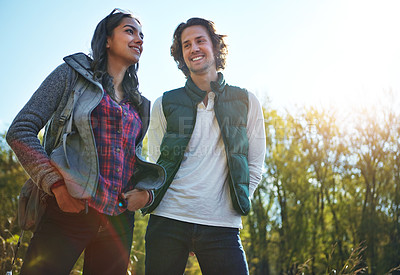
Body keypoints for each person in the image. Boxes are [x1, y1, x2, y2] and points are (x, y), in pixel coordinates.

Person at [6, 8, 164, 275]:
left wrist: (146, 194)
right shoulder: (71, 75)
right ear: (107, 40)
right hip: (69, 211)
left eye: (141, 35)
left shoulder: (138, 104)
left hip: (119, 223)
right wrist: (56, 186)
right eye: (129, 31)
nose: (139, 39)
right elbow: (20, 130)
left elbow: (130, 161)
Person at [144, 17, 266, 274]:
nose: (193, 48)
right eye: (186, 45)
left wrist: (237, 198)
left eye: (200, 40)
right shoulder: (163, 103)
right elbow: (155, 163)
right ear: (181, 55)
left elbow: (255, 164)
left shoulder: (246, 101)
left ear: (215, 46)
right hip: (168, 220)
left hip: (222, 224)